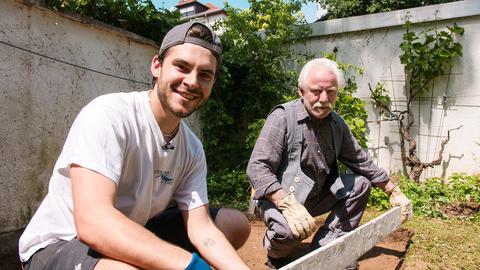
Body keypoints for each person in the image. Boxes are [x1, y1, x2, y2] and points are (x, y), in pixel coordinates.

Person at [19, 21, 251, 270]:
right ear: (157, 66)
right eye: (182, 67)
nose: (192, 81)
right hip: (62, 242)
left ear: (212, 83)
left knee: (233, 224)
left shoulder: (192, 148)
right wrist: (191, 266)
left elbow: (201, 226)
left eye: (205, 74)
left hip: (133, 227)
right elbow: (92, 221)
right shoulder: (110, 115)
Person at [246, 58, 412, 269]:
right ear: (301, 91)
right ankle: (276, 253)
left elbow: (359, 160)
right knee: (287, 234)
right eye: (316, 91)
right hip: (275, 200)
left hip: (315, 196)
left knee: (360, 185)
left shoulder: (337, 124)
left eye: (330, 92)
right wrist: (286, 203)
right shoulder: (282, 118)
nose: (323, 99)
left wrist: (391, 190)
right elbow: (257, 167)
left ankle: (326, 248)